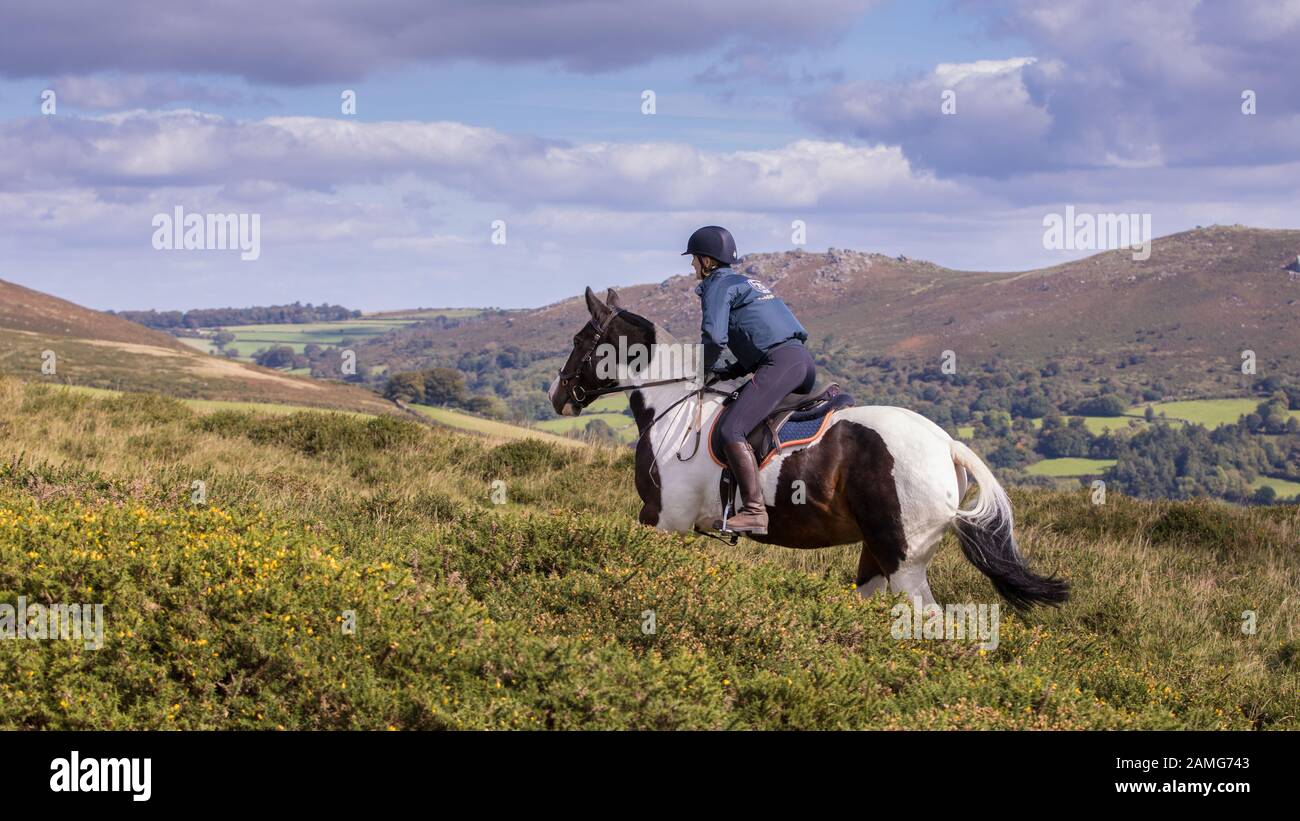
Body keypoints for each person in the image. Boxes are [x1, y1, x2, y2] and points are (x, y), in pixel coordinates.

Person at [685, 225, 815, 534]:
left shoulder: (718, 284)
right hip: (800, 362)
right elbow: (755, 342)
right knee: (747, 417)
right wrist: (727, 372)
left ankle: (755, 510)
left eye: (693, 259)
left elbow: (715, 338)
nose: (691, 265)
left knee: (732, 428)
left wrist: (699, 372)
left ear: (706, 261)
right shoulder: (747, 283)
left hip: (780, 364)